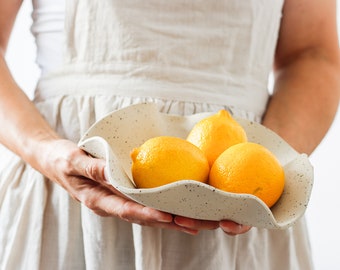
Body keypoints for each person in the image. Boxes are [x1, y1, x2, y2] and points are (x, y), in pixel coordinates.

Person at [0, 0, 339, 269]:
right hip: (70, 186)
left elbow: (313, 54)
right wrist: (44, 150)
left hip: (240, 207)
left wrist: (268, 161)